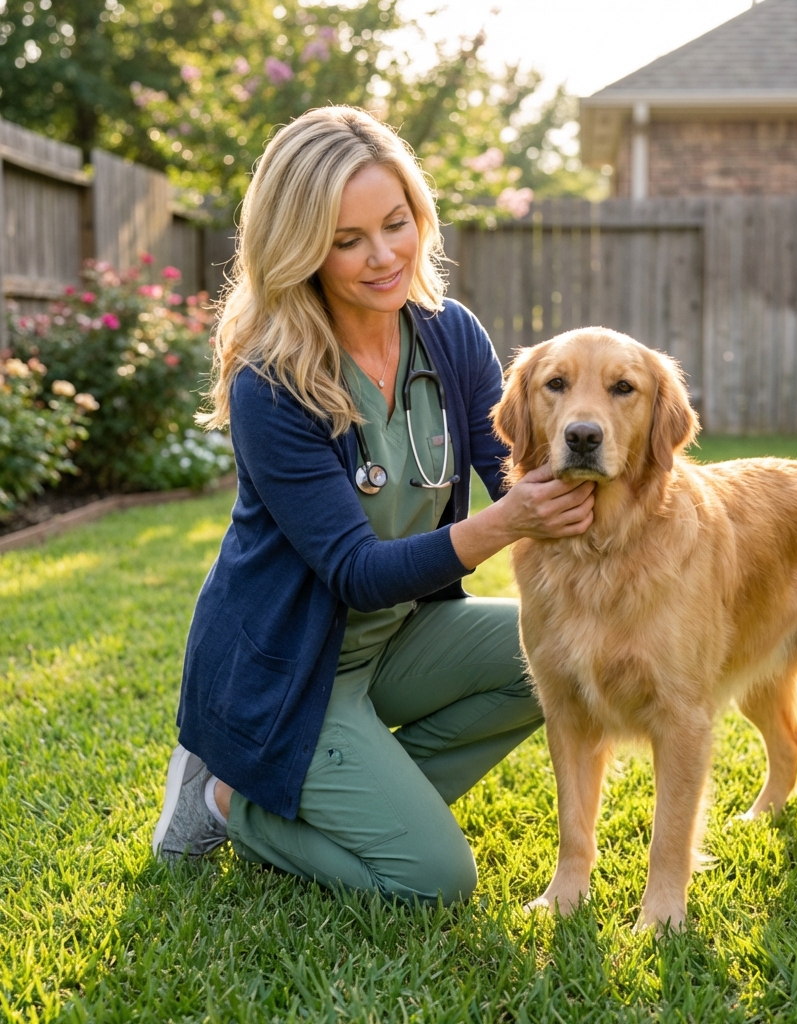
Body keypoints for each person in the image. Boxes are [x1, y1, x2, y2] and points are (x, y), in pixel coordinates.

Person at [151, 106, 595, 905]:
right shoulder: (272, 385)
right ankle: (227, 798)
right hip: (294, 672)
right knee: (436, 882)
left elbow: (512, 466)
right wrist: (504, 524)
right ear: (298, 248)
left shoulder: (448, 334)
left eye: (395, 223)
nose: (385, 256)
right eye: (348, 239)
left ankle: (350, 802)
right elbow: (355, 574)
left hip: (402, 641)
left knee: (563, 660)